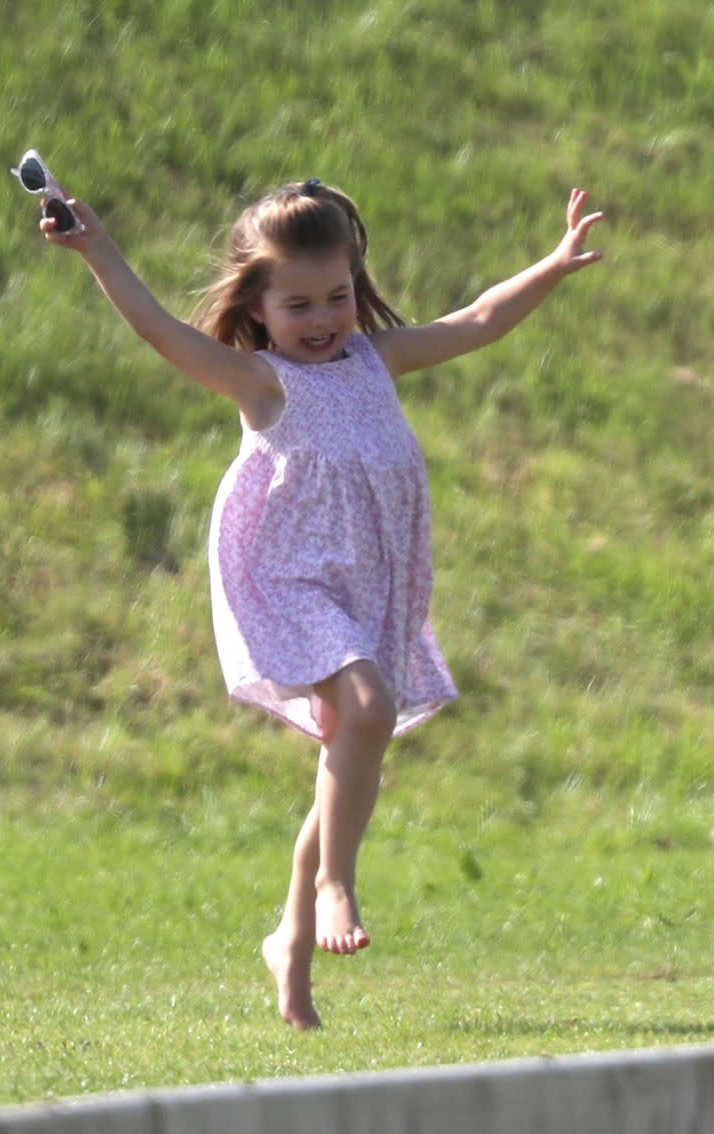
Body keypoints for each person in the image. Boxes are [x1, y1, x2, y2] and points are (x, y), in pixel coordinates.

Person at [38, 177, 604, 1029]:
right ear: (257, 306)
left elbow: (478, 319)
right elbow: (157, 329)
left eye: (337, 296)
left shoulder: (378, 359)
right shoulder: (260, 382)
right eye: (297, 303)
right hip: (292, 577)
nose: (323, 318)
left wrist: (554, 266)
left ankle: (290, 949)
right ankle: (337, 883)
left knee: (346, 755)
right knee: (368, 709)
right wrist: (97, 248)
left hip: (370, 580)